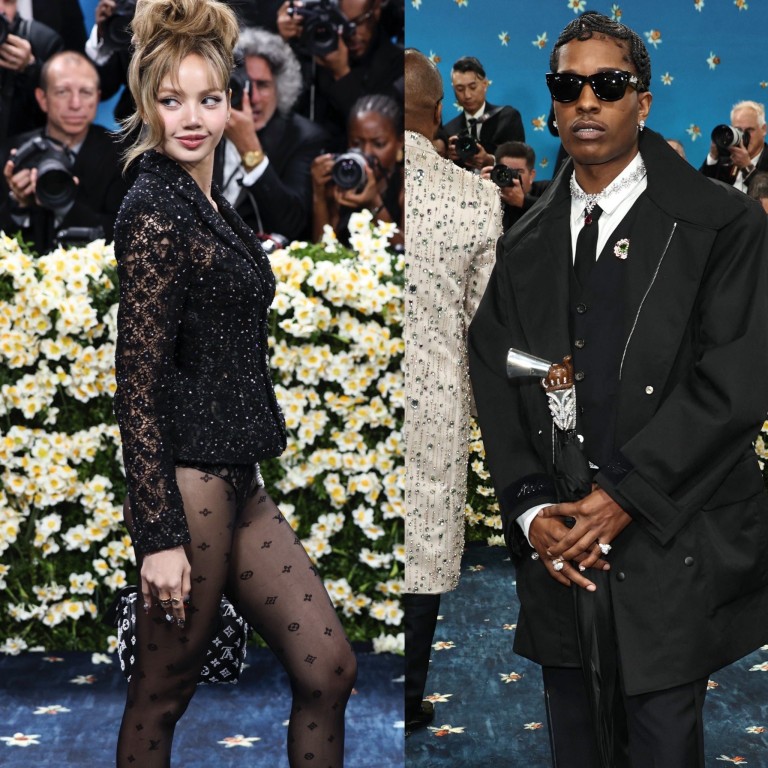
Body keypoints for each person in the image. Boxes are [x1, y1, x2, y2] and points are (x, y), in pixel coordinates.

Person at [468, 11, 768, 768]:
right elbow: (496, 371)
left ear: (644, 101)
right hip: (564, 545)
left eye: (609, 84)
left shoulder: (720, 223)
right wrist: (533, 506)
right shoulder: (526, 241)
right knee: (577, 744)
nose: (587, 101)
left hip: (673, 536)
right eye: (569, 87)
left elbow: (738, 378)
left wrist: (626, 496)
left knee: (663, 742)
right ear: (551, 105)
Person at [112, 1, 356, 766]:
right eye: (171, 99)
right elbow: (137, 387)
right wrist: (160, 540)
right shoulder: (154, 209)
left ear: (235, 103)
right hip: (188, 491)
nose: (192, 117)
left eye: (209, 99)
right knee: (162, 691)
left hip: (236, 479)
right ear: (147, 103)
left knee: (330, 669)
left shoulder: (204, 198)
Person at [403, 48, 502, 736]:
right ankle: (407, 701)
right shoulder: (475, 196)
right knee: (421, 548)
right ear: (438, 112)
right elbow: (482, 327)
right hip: (433, 405)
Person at [0, 50, 128, 254]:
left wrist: (66, 205)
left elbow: (125, 234)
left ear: (97, 98)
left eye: (85, 92)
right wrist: (17, 203)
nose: (75, 104)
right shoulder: (11, 154)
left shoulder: (122, 156)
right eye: (62, 92)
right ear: (42, 99)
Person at [214, 26, 328, 243]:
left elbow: (291, 225)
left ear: (280, 87)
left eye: (263, 85)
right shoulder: (209, 125)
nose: (253, 98)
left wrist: (250, 148)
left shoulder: (304, 137)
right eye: (245, 85)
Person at [276, 0, 403, 149]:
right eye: (341, 24)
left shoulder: (399, 63)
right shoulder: (314, 48)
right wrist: (284, 42)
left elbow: (375, 131)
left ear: (375, 10)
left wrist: (341, 72)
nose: (351, 34)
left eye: (357, 23)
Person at [310, 92, 403, 245]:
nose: (366, 152)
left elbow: (407, 255)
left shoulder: (407, 185)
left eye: (378, 144)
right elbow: (321, 252)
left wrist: (374, 203)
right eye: (356, 143)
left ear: (400, 142)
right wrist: (319, 196)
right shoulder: (342, 179)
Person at [441, 56, 525, 172]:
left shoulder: (507, 118)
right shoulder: (449, 131)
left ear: (485, 84)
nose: (467, 95)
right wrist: (446, 157)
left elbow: (520, 162)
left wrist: (490, 161)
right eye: (460, 89)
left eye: (472, 87)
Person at [0, 0, 63, 141]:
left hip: (22, 149)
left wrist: (31, 67)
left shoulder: (43, 40)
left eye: (8, 2)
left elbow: (62, 108)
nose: (1, 10)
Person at [699, 100, 768, 191]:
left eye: (749, 130)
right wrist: (713, 158)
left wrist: (747, 167)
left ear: (763, 129)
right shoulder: (726, 160)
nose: (744, 135)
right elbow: (700, 188)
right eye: (738, 130)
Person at [481, 140, 550, 231]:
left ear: (531, 175)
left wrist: (523, 202)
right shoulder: (491, 194)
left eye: (518, 172)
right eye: (506, 172)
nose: (511, 177)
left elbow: (559, 215)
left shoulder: (547, 190)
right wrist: (480, 191)